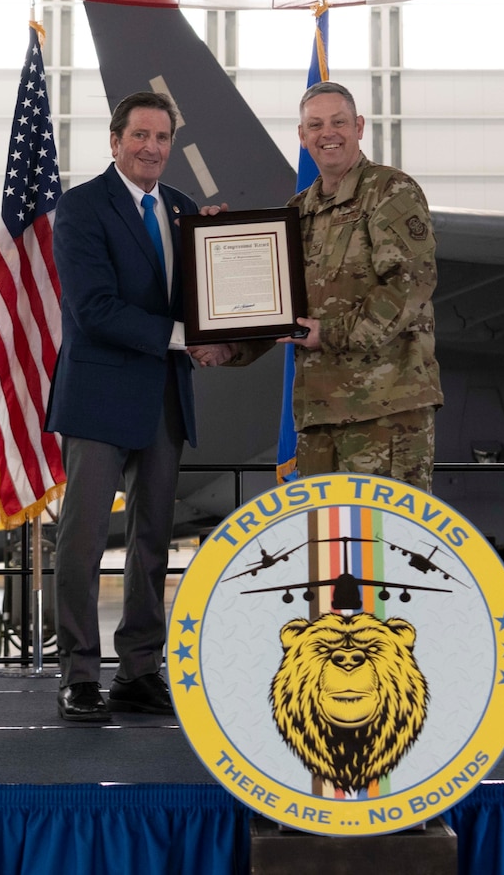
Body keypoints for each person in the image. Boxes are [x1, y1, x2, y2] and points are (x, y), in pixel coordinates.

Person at [45, 90, 230, 722]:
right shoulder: (80, 208)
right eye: (140, 136)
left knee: (152, 541)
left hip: (163, 397)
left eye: (162, 138)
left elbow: (202, 298)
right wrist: (186, 338)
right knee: (84, 539)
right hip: (100, 394)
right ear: (115, 140)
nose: (151, 148)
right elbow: (92, 308)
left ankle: (140, 670)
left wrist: (223, 251)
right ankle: (78, 675)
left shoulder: (182, 209)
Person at [228, 81, 442, 489]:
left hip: (386, 410)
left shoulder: (390, 191)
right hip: (318, 415)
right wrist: (228, 344)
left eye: (339, 122)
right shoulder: (296, 212)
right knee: (327, 545)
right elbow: (278, 307)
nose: (328, 133)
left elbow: (409, 285)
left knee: (385, 544)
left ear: (359, 126)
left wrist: (330, 334)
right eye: (316, 124)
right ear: (302, 136)